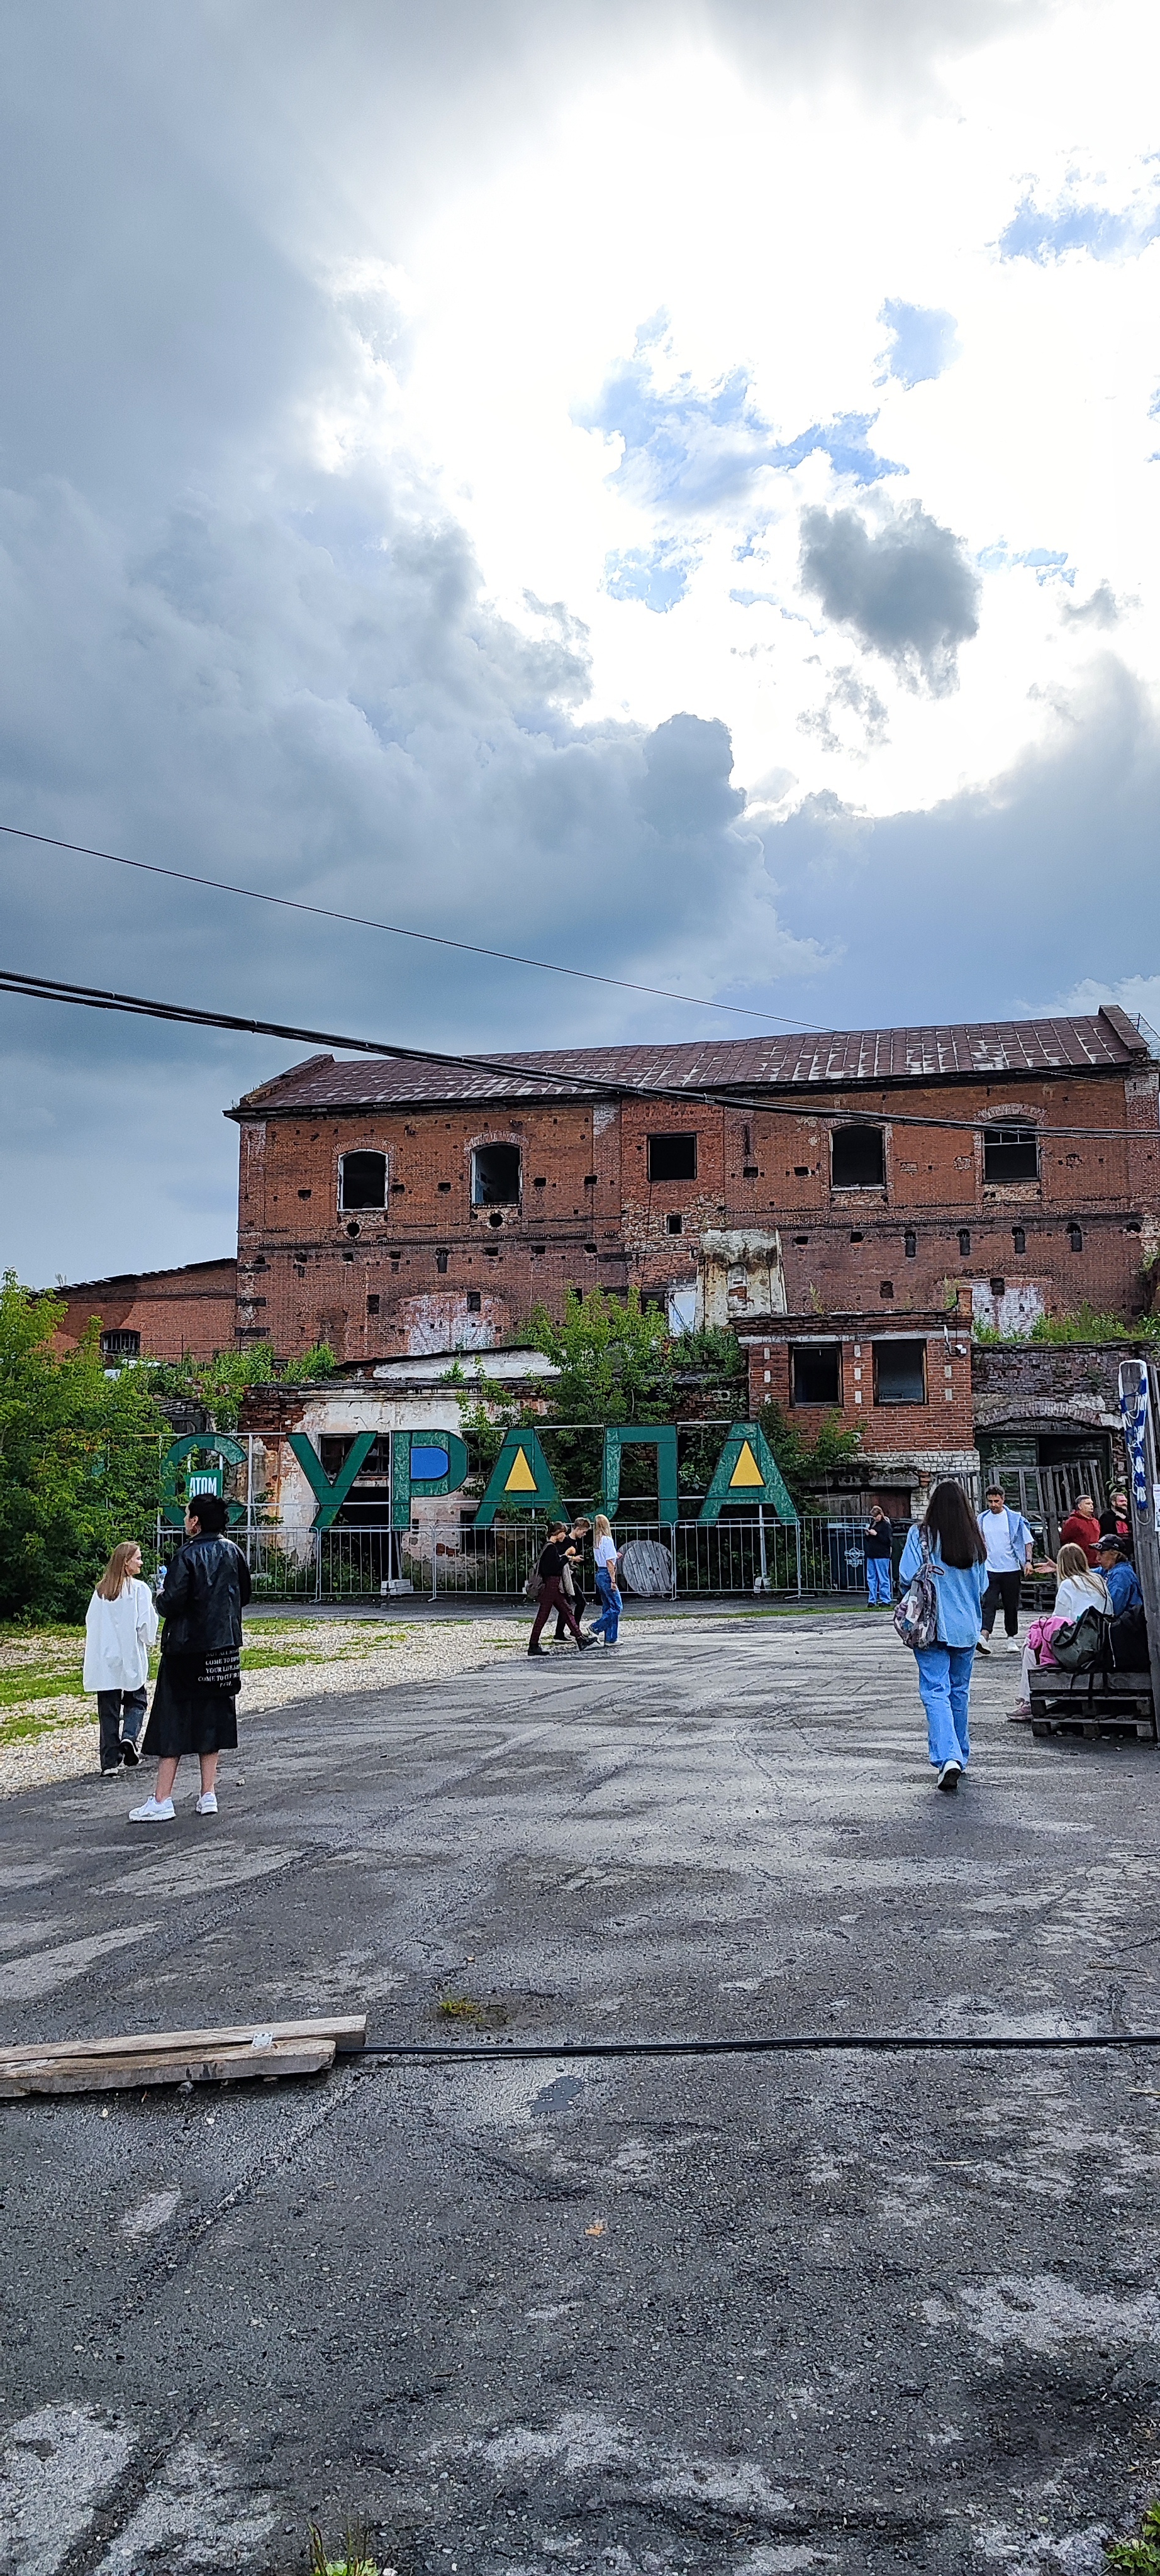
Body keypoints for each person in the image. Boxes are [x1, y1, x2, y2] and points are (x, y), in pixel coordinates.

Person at [130, 1494, 251, 1822]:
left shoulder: (186, 1555)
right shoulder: (234, 1551)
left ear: (195, 1521)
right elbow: (244, 1594)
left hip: (186, 1648)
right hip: (224, 1647)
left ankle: (162, 1798)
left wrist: (160, 1596)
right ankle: (208, 1793)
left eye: (187, 1515)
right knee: (212, 1716)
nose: (185, 1520)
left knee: (173, 1719)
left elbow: (171, 1602)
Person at [898, 1480, 988, 1792]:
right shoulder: (974, 1539)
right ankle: (960, 1755)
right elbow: (983, 1586)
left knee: (935, 1690)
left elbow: (907, 1575)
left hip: (931, 1626)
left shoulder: (920, 1535)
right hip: (967, 1627)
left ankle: (948, 1757)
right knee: (959, 1692)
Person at [84, 1541, 159, 1777]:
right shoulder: (139, 1590)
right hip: (129, 1654)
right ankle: (129, 1737)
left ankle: (109, 1762)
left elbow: (91, 1623)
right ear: (126, 1562)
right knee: (137, 1700)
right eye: (137, 1558)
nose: (141, 1563)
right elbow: (145, 1626)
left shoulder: (101, 1591)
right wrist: (149, 1638)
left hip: (105, 1657)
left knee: (108, 1709)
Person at [1010, 1542, 1110, 1716]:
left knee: (1031, 1644)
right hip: (1101, 1642)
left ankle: (1028, 1700)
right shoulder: (1098, 1580)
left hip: (1078, 1648)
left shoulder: (1068, 1585)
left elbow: (1058, 1622)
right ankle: (1028, 1698)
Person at [976, 1484, 1034, 1656]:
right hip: (990, 1568)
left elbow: (1027, 1541)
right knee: (988, 1603)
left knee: (1011, 1605)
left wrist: (1028, 1562)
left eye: (996, 1501)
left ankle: (1011, 1637)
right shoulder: (982, 1519)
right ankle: (984, 1636)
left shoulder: (1014, 1519)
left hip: (1011, 1569)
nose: (993, 1505)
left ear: (1003, 1500)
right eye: (990, 1501)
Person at [528, 1523, 596, 1657]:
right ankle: (533, 1645)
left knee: (566, 1610)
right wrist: (566, 1556)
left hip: (552, 1586)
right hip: (551, 1586)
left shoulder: (549, 1547)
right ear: (558, 1533)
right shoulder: (551, 1548)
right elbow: (553, 1567)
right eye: (563, 1533)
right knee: (544, 1615)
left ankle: (580, 1638)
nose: (564, 1536)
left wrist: (565, 1557)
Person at [554, 1516, 592, 1641]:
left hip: (571, 1575)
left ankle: (566, 1631)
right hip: (566, 1577)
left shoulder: (575, 1541)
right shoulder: (565, 1541)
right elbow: (559, 1556)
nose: (584, 1534)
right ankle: (570, 1631)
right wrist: (573, 1558)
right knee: (575, 1603)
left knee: (568, 1605)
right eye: (584, 1532)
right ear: (577, 1529)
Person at [589, 1513, 623, 1645]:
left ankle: (611, 1638)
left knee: (608, 1606)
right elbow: (610, 1563)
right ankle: (596, 1627)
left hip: (600, 1573)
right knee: (617, 1607)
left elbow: (605, 1558)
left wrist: (615, 1556)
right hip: (607, 1575)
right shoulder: (608, 1540)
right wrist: (613, 1581)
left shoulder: (597, 1541)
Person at [1096, 1536, 1144, 1619]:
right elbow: (1086, 1573)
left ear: (1115, 1555)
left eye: (1102, 1554)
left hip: (1123, 1625)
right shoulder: (1109, 1569)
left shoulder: (1122, 1575)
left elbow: (1111, 1610)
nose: (1098, 1558)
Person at [864, 1504, 894, 1607]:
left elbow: (888, 1541)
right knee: (871, 1578)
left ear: (881, 1515)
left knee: (883, 1578)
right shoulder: (873, 1524)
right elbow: (868, 1540)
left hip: (882, 1555)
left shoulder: (886, 1525)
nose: (875, 1518)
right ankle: (872, 1600)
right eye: (873, 1516)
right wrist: (867, 1534)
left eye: (876, 1516)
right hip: (872, 1554)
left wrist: (876, 1535)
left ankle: (886, 1600)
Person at [1059, 1494, 1101, 1566]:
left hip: (1096, 1561)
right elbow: (1065, 1540)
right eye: (1088, 1504)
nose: (1091, 1506)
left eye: (1092, 1504)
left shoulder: (1095, 1522)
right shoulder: (1073, 1521)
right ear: (1080, 1506)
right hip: (1080, 1561)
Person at [1099, 1490, 1134, 1557]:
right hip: (1114, 1553)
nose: (1125, 1503)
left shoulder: (1129, 1516)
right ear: (1113, 1503)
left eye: (1125, 1501)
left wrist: (1126, 1519)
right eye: (1121, 1501)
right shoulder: (1106, 1517)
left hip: (1129, 1552)